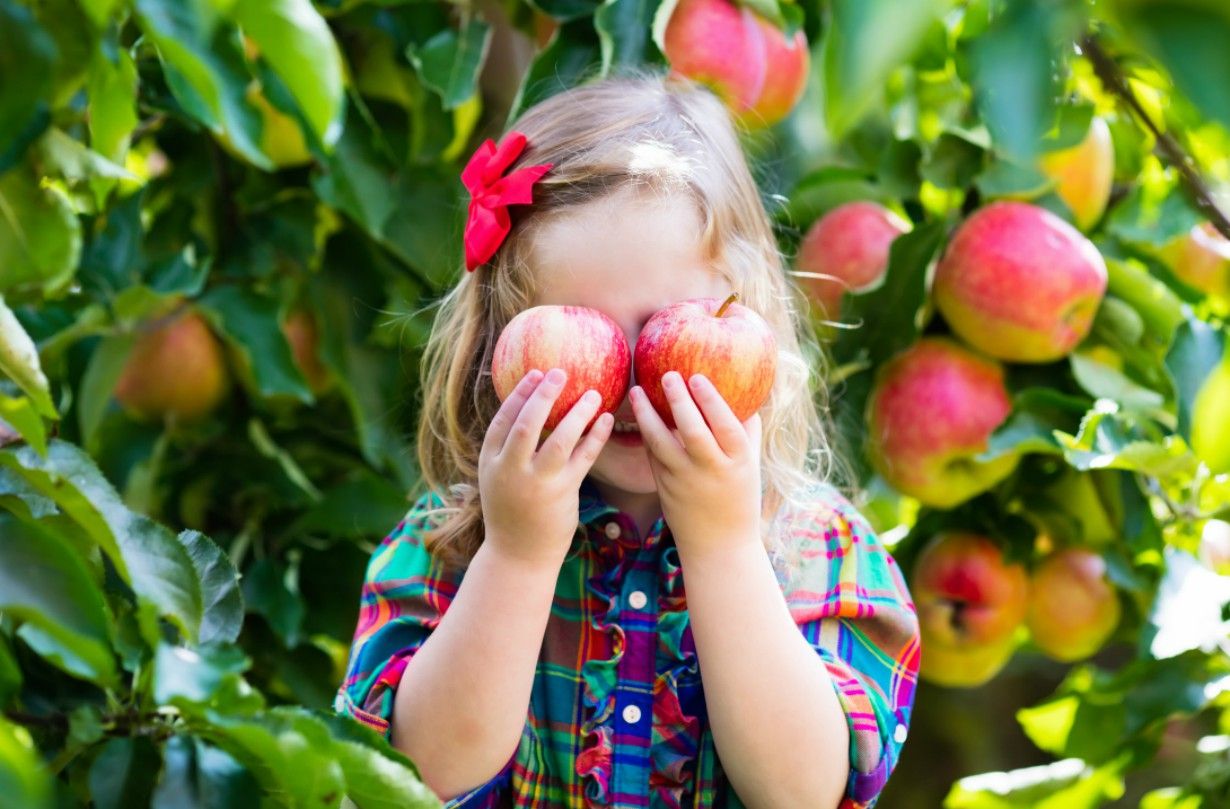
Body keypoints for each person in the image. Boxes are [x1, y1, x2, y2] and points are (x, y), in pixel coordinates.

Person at [336, 74, 920, 809]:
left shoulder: (816, 549)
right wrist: (516, 557)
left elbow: (802, 793)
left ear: (749, 320)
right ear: (498, 346)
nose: (635, 384)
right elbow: (418, 776)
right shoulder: (453, 544)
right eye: (590, 335)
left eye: (671, 326)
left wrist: (724, 550)